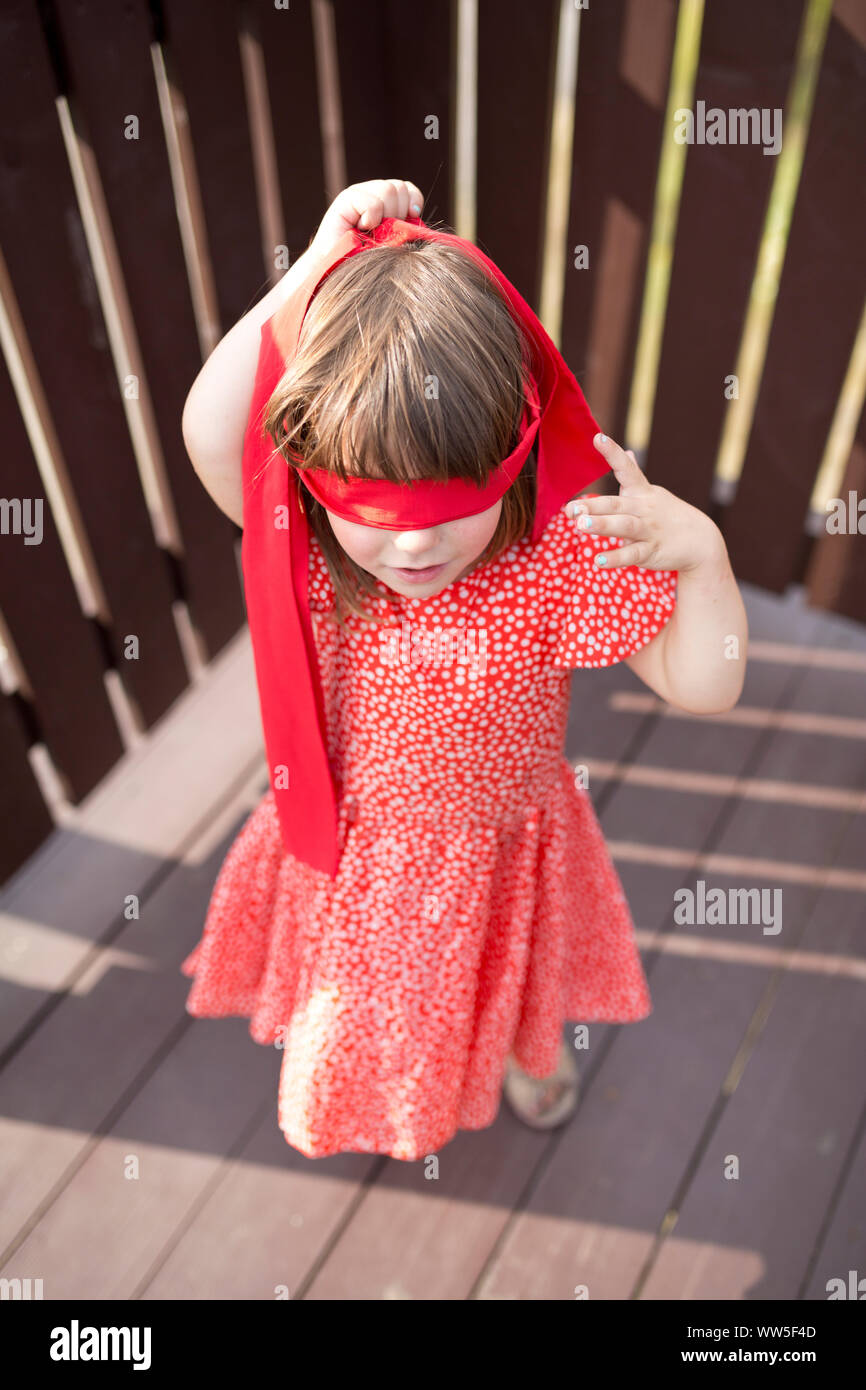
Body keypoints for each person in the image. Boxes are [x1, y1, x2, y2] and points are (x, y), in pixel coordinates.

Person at [180, 179, 747, 1159]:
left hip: (499, 847)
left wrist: (702, 558)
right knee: (362, 1005)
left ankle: (520, 1052)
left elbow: (704, 681)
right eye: (376, 512)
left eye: (450, 510)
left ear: (510, 453)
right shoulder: (307, 545)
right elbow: (206, 428)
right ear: (316, 481)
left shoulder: (555, 555)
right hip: (357, 848)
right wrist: (310, 274)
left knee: (505, 984)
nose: (409, 550)